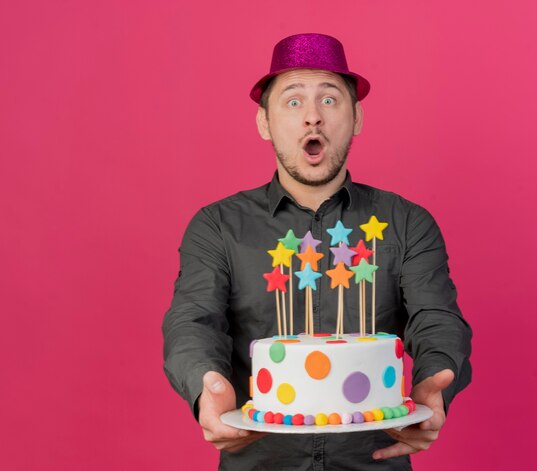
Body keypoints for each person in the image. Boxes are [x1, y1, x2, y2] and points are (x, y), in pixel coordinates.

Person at [163, 33, 472, 470]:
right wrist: (206, 386)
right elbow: (193, 320)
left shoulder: (406, 223)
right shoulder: (216, 226)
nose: (312, 117)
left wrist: (434, 381)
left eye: (330, 100)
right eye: (292, 101)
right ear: (264, 122)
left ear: (357, 117)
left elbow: (436, 317)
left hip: (374, 459)